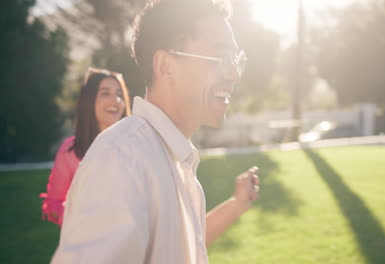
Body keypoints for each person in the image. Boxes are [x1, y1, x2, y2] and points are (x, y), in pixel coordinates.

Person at [52, 0, 260, 263]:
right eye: (220, 58)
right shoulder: (123, 160)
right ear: (165, 65)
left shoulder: (173, 161)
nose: (234, 75)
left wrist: (237, 203)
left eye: (235, 60)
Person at [40, 68, 131, 226]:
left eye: (119, 95)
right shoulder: (70, 151)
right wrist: (86, 221)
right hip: (91, 245)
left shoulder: (136, 145)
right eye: (105, 93)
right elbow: (54, 204)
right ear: (89, 101)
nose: (115, 101)